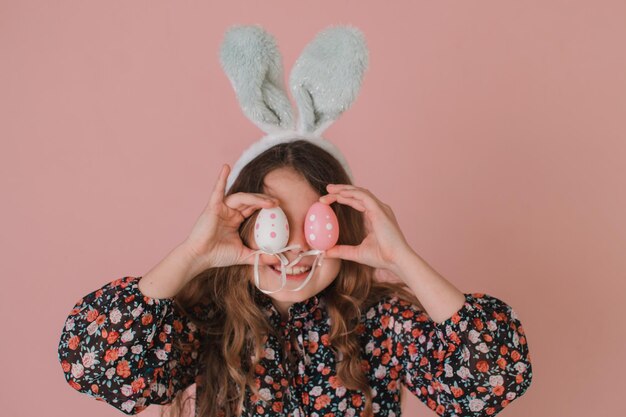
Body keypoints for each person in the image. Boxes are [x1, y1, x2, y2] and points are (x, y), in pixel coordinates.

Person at [57, 26, 533, 417]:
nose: (293, 249)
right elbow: (92, 362)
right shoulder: (205, 322)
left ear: (343, 227)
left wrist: (402, 259)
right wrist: (191, 254)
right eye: (273, 223)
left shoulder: (378, 323)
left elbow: (489, 382)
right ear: (239, 230)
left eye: (315, 223)